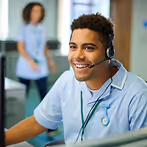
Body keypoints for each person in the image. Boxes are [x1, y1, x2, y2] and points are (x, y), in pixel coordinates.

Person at [5, 13, 147, 146]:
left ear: (109, 52)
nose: (78, 55)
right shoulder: (67, 80)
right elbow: (38, 123)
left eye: (89, 48)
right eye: (73, 47)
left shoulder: (137, 94)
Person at [15, 2, 58, 137]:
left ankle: (50, 129)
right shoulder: (23, 28)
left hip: (41, 68)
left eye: (39, 11)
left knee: (45, 97)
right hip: (26, 67)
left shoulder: (42, 29)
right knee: (22, 98)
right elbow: (21, 47)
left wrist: (50, 61)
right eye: (34, 11)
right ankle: (17, 129)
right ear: (28, 13)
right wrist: (30, 62)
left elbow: (44, 47)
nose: (37, 14)